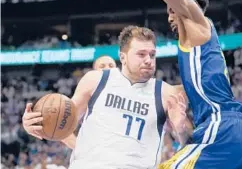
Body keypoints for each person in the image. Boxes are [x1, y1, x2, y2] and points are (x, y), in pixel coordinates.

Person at [22, 25, 188, 169]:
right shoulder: (96, 79)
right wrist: (37, 124)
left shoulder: (166, 93)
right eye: (141, 54)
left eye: (152, 55)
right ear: (122, 57)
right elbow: (63, 124)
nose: (148, 60)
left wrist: (180, 129)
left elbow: (188, 143)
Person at [145, 0, 242, 169]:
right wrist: (181, 128)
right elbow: (188, 140)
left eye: (172, 10)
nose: (169, 18)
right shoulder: (192, 65)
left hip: (223, 131)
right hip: (225, 135)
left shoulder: (199, 23)